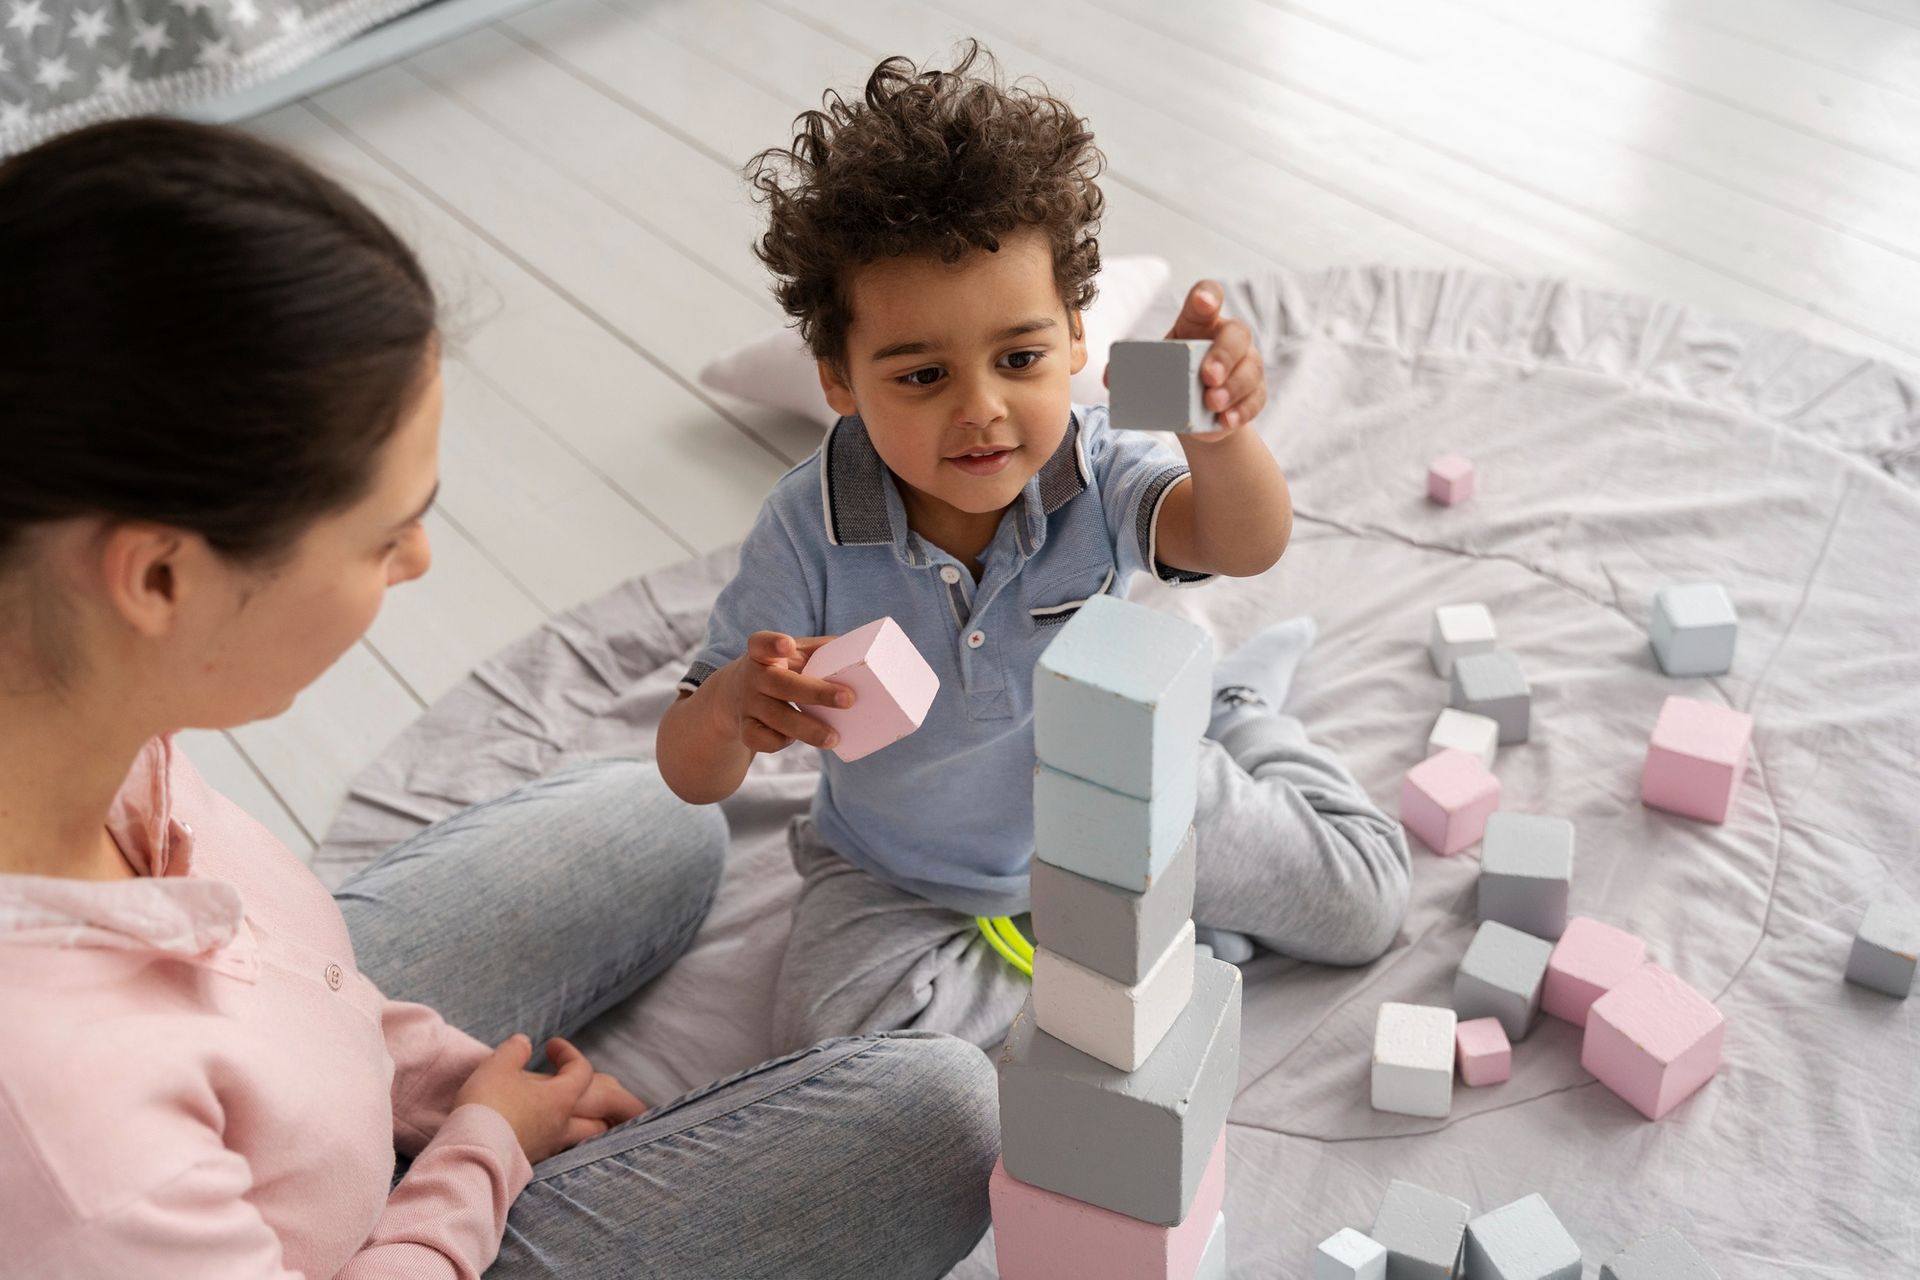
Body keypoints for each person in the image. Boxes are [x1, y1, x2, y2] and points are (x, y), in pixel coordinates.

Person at [0, 118, 996, 1279]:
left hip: (280, 1081)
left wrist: (427, 1077)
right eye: (386, 533)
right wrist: (477, 1149)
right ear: (161, 575)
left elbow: (277, 967)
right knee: (937, 1122)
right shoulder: (67, 1140)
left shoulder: (72, 699)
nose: (418, 559)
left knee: (654, 812)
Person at [656, 43, 1412, 1056]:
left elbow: (1244, 541)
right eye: (921, 375)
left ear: (1074, 341)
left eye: (1020, 358)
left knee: (1364, 907)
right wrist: (731, 712)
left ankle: (1232, 708)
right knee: (838, 1045)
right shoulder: (808, 525)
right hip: (900, 868)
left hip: (1126, 797)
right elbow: (690, 771)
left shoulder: (1094, 464)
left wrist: (1216, 431)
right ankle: (1098, 971)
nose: (983, 411)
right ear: (839, 379)